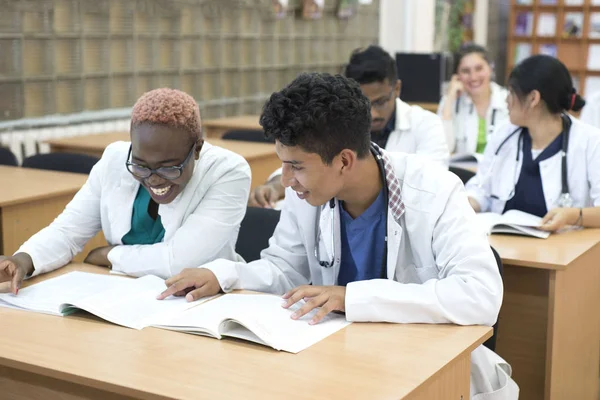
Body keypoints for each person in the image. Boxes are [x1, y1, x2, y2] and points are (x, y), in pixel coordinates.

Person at [158, 73, 518, 399]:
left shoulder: (434, 191)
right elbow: (285, 271)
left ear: (344, 161)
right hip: (335, 363)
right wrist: (223, 274)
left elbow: (480, 295)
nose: (284, 180)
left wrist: (352, 297)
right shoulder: (307, 195)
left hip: (423, 371)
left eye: (296, 166)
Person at [0, 88, 251, 294]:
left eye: (168, 167)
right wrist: (24, 259)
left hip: (197, 301)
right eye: (141, 165)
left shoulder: (228, 171)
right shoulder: (115, 159)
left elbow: (181, 261)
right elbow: (67, 230)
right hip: (123, 296)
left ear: (196, 150)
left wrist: (111, 255)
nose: (153, 179)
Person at [248, 45, 448, 208]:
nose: (373, 114)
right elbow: (304, 158)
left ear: (396, 88)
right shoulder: (341, 120)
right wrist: (274, 187)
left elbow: (428, 183)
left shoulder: (425, 125)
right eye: (366, 103)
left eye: (380, 102)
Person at [466, 55, 600, 232]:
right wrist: (463, 203)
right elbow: (481, 189)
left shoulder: (589, 142)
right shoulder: (503, 134)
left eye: (511, 93)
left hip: (561, 254)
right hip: (500, 249)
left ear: (533, 99)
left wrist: (572, 215)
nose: (506, 100)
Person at [438, 44, 509, 155]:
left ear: (490, 68)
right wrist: (450, 98)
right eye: (466, 71)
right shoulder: (450, 102)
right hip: (462, 172)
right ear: (457, 76)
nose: (473, 77)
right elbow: (443, 150)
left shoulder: (507, 100)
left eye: (479, 69)